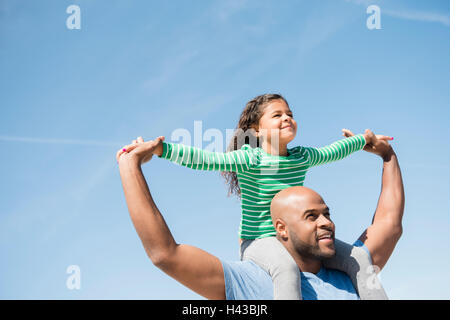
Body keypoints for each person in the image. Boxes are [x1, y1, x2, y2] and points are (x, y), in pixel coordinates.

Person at [117, 93, 392, 300]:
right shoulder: (249, 158)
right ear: (257, 131)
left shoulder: (302, 157)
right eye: (277, 115)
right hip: (259, 241)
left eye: (289, 113)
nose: (287, 118)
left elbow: (335, 151)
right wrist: (161, 150)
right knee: (286, 270)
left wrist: (363, 140)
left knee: (358, 257)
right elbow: (205, 160)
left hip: (295, 239)